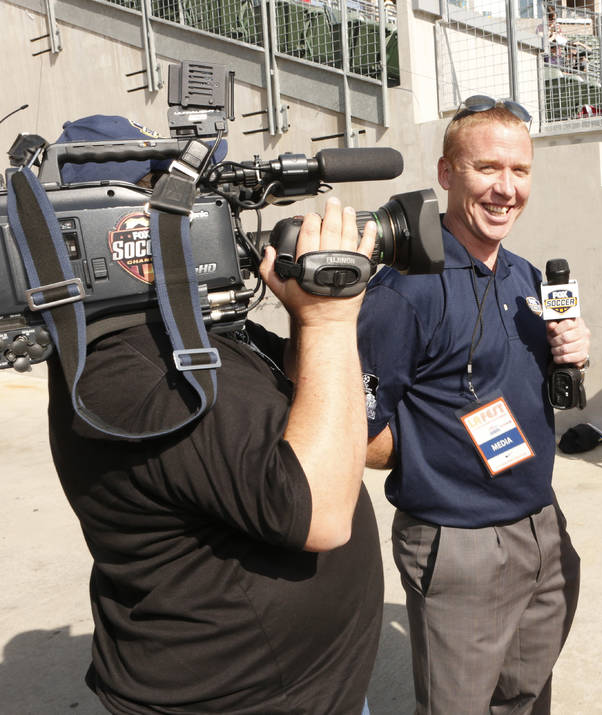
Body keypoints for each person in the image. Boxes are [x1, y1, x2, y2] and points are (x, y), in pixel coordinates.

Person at [46, 120, 384, 712]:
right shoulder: (135, 369)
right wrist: (333, 321)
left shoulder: (175, 329)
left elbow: (302, 410)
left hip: (300, 689)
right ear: (108, 228)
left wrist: (308, 319)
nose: (211, 215)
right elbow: (320, 514)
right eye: (183, 199)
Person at [356, 96, 588, 714]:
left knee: (527, 701)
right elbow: (357, 430)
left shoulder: (528, 277)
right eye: (487, 168)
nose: (506, 189)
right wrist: (430, 460)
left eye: (520, 171)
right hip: (457, 544)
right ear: (446, 174)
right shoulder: (404, 292)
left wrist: (572, 354)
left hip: (542, 525)